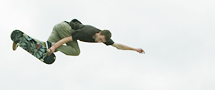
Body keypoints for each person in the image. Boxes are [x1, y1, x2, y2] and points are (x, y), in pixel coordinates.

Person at [13, 19, 144, 57]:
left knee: (45, 47)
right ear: (98, 33)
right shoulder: (87, 32)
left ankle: (21, 40)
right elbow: (67, 39)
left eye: (102, 42)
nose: (99, 42)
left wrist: (134, 49)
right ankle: (52, 47)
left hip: (59, 26)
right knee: (75, 51)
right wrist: (55, 47)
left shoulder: (104, 38)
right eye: (99, 39)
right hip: (64, 29)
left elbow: (117, 46)